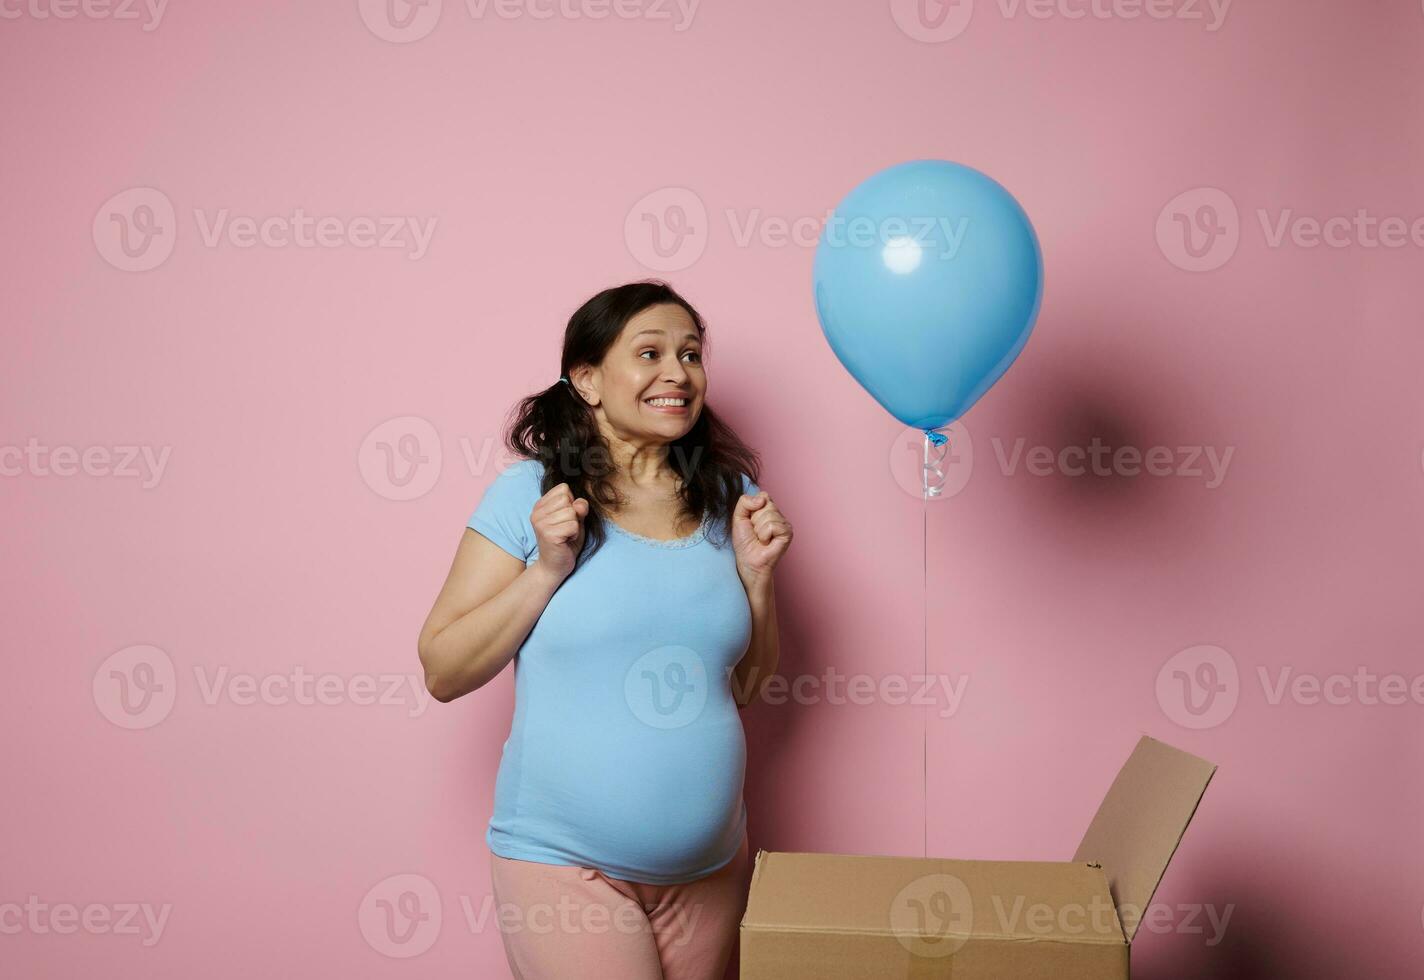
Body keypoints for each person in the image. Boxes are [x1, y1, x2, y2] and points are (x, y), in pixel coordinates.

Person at [417, 280, 792, 979]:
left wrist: (760, 580)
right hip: (564, 865)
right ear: (587, 379)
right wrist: (545, 571)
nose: (677, 374)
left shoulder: (729, 500)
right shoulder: (531, 497)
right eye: (649, 353)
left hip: (710, 870)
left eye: (690, 354)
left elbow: (745, 684)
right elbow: (442, 669)